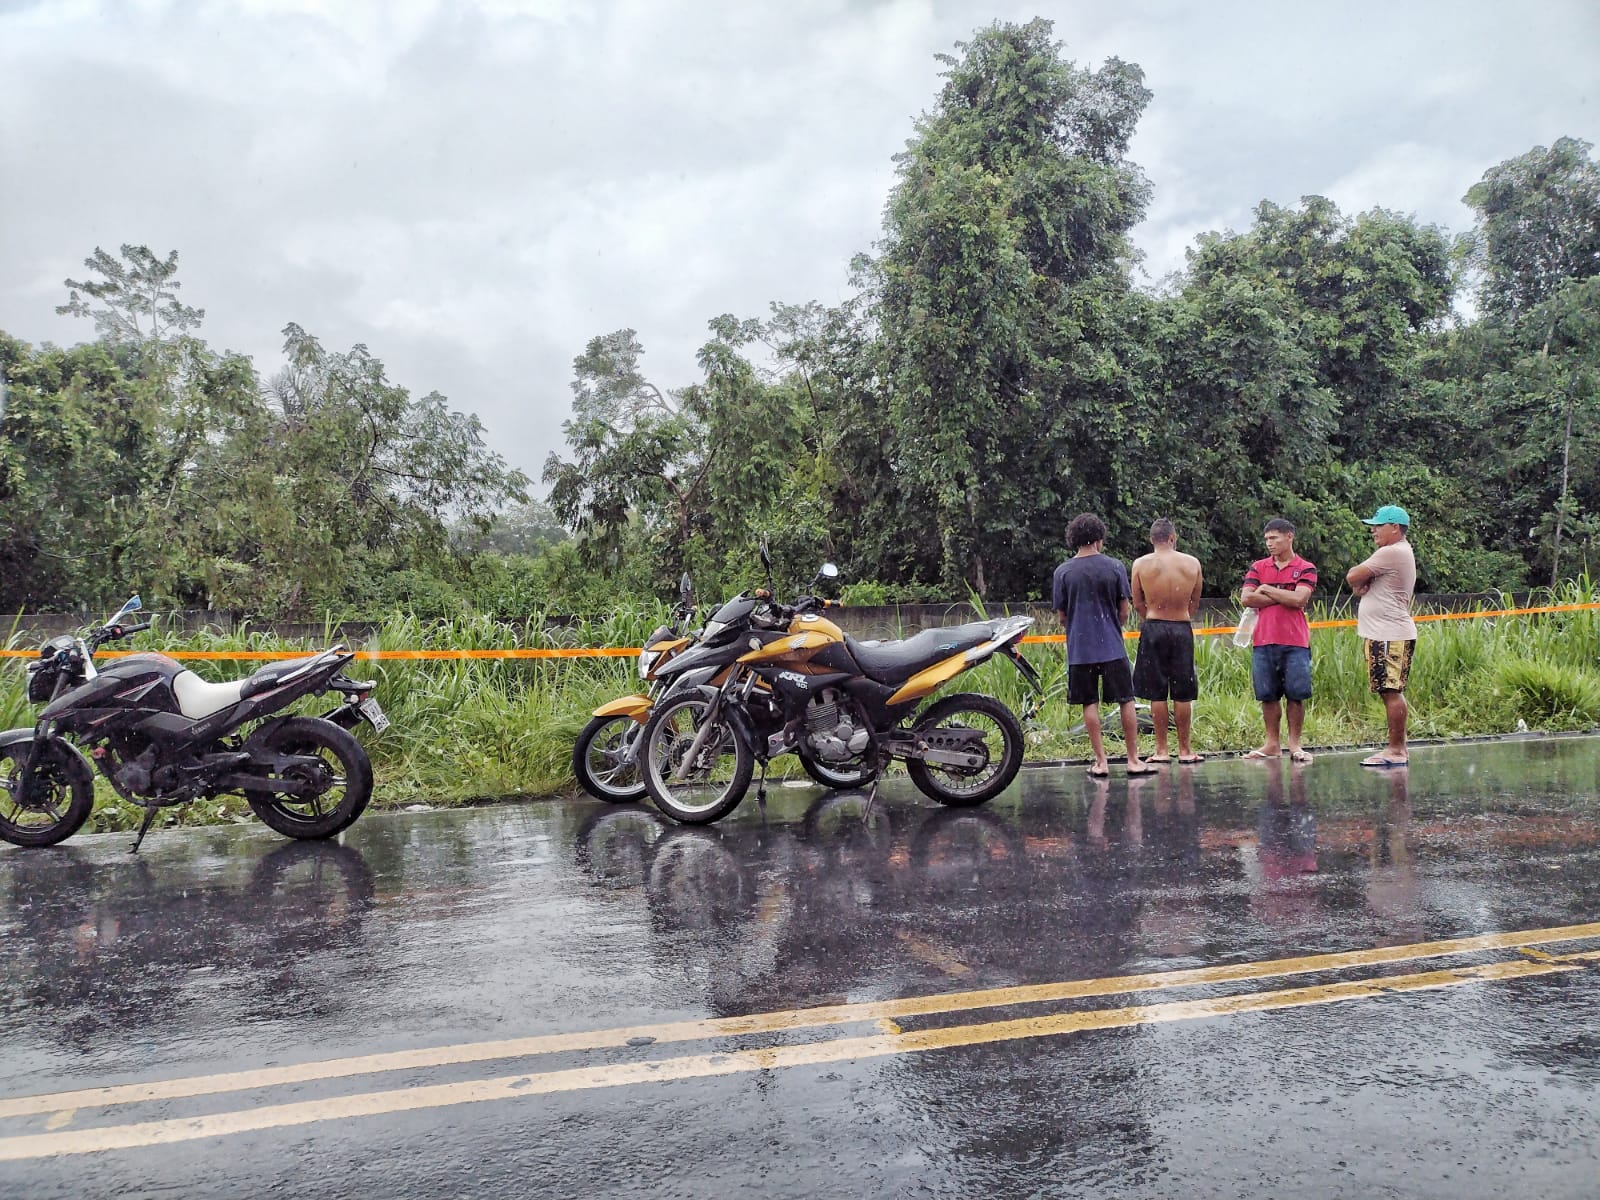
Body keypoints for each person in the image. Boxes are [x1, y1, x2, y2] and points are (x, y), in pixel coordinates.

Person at [1052, 513, 1155, 778]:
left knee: (1089, 703)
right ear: (1099, 539)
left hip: (1080, 650)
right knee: (1126, 700)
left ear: (1074, 539)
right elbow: (1124, 611)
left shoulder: (1062, 572)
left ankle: (1101, 762)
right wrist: (1113, 625)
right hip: (1112, 646)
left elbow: (1063, 617)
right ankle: (1133, 760)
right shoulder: (1114, 567)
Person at [1240, 517, 1318, 763]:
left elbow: (1299, 600)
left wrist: (1266, 589)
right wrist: (1284, 594)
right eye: (1267, 539)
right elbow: (1247, 598)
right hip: (1263, 640)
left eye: (1274, 538)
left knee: (1296, 693)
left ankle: (1295, 743)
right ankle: (1272, 743)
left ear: (1289, 537)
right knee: (1267, 694)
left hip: (1295, 641)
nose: (1269, 543)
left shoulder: (1305, 567)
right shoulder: (1258, 566)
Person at [1346, 504, 1417, 767]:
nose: (1373, 530)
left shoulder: (1391, 552)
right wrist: (1361, 583)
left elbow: (1352, 576)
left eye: (1379, 525)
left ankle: (1397, 750)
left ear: (1395, 528)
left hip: (1390, 633)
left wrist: (1360, 581)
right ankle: (1398, 748)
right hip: (1384, 633)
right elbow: (1358, 584)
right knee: (1389, 689)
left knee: (1391, 690)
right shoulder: (1395, 553)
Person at [1130, 517, 1204, 764]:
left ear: (1152, 540)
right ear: (1173, 538)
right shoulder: (1192, 563)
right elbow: (1195, 600)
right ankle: (1185, 750)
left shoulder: (1141, 564)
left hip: (1154, 626)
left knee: (1157, 692)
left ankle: (1161, 750)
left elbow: (1138, 602)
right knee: (1183, 692)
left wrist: (1153, 616)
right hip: (1181, 627)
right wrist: (1181, 615)